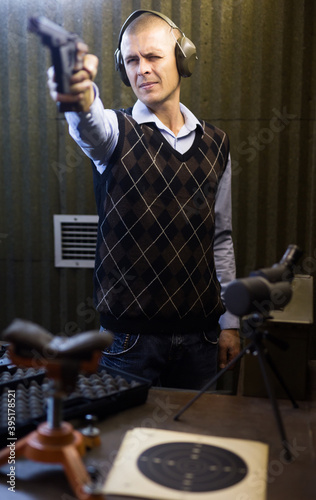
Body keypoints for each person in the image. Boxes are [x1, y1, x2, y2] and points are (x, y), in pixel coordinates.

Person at [48, 10, 240, 390]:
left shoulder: (217, 143)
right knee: (123, 444)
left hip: (202, 336)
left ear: (181, 59)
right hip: (129, 340)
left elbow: (221, 238)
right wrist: (80, 97)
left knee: (196, 444)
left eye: (153, 57)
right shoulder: (115, 132)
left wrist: (230, 323)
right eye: (132, 60)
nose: (142, 69)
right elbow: (89, 124)